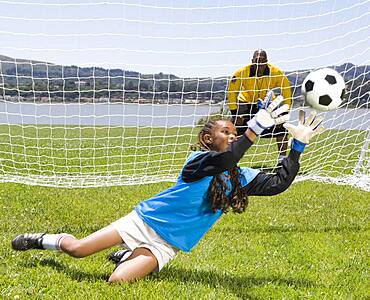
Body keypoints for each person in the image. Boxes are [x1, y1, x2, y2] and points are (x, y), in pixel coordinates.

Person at [11, 95, 324, 283]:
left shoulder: (238, 177)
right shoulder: (198, 161)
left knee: (117, 281)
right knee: (77, 250)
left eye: (235, 132)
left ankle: (127, 257)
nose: (231, 136)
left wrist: (297, 145)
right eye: (225, 132)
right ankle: (41, 240)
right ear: (207, 140)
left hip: (167, 244)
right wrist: (255, 126)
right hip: (144, 221)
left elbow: (279, 184)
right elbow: (226, 158)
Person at [228, 49, 292, 164]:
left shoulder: (276, 72)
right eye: (256, 61)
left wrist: (284, 113)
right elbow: (231, 92)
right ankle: (230, 160)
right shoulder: (241, 72)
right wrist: (235, 113)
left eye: (262, 61)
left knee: (282, 128)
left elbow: (286, 91)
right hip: (246, 102)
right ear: (252, 61)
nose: (259, 64)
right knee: (234, 128)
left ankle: (281, 161)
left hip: (267, 104)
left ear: (266, 61)